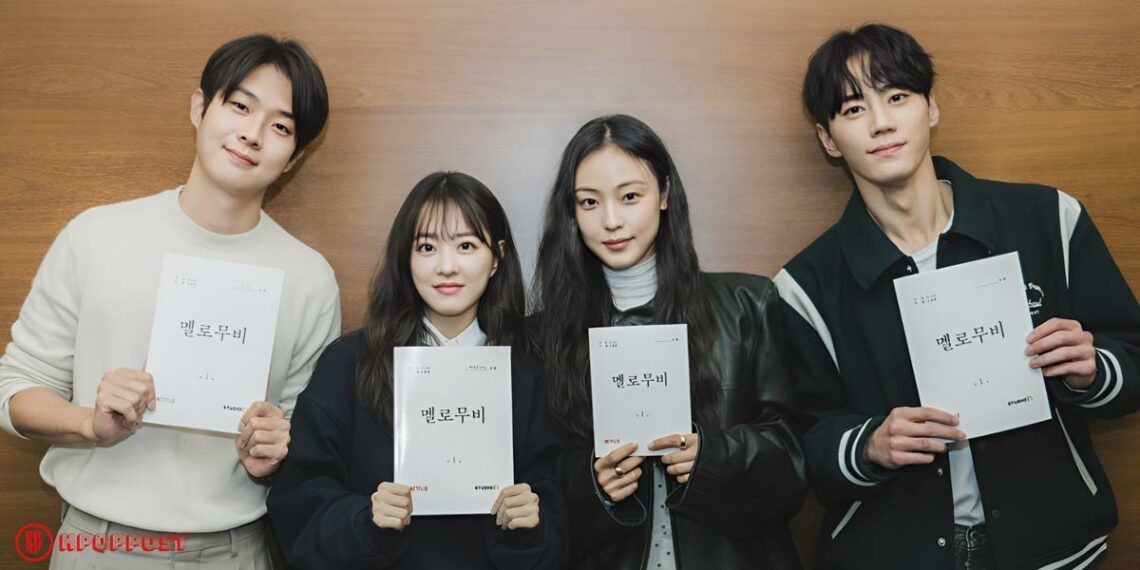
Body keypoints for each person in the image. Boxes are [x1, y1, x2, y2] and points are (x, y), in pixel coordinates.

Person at [778, 22, 1140, 569]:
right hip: (894, 553)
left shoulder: (1048, 218)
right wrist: (870, 445)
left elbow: (1132, 357)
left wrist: (1092, 369)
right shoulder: (804, 286)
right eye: (853, 109)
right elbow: (805, 443)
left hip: (1053, 545)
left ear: (931, 108)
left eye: (896, 97)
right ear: (828, 139)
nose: (880, 122)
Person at [0, 34, 339, 568]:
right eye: (240, 106)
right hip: (98, 544)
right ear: (200, 107)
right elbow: (16, 388)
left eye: (280, 126)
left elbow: (304, 441)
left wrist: (270, 458)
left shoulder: (309, 279)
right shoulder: (97, 235)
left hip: (234, 550)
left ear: (294, 158)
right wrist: (90, 424)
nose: (252, 134)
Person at [532, 114, 806, 569]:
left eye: (630, 197)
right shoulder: (543, 337)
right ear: (571, 212)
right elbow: (534, 484)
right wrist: (595, 485)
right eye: (589, 202)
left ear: (664, 194)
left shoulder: (747, 304)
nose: (611, 221)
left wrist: (710, 458)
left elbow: (792, 466)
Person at [267, 171, 564, 568]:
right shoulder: (349, 363)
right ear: (405, 257)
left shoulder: (531, 369)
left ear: (497, 258)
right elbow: (299, 502)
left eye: (466, 245)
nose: (446, 266)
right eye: (427, 247)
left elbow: (562, 508)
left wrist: (530, 523)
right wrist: (366, 520)